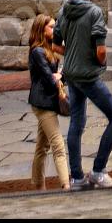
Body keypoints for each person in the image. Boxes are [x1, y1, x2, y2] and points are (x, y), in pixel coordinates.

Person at [53, 0, 112, 190]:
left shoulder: (64, 10)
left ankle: (76, 177)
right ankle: (98, 171)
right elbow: (100, 51)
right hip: (89, 77)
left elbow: (56, 45)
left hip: (72, 75)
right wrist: (99, 61)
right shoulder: (94, 13)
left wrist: (74, 54)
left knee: (77, 122)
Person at [28, 14, 70, 191]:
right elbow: (48, 79)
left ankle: (38, 186)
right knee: (58, 145)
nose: (54, 29)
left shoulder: (49, 49)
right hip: (43, 103)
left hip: (47, 101)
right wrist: (58, 77)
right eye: (51, 27)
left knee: (41, 147)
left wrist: (61, 75)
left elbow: (61, 74)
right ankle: (66, 185)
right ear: (41, 30)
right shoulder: (37, 52)